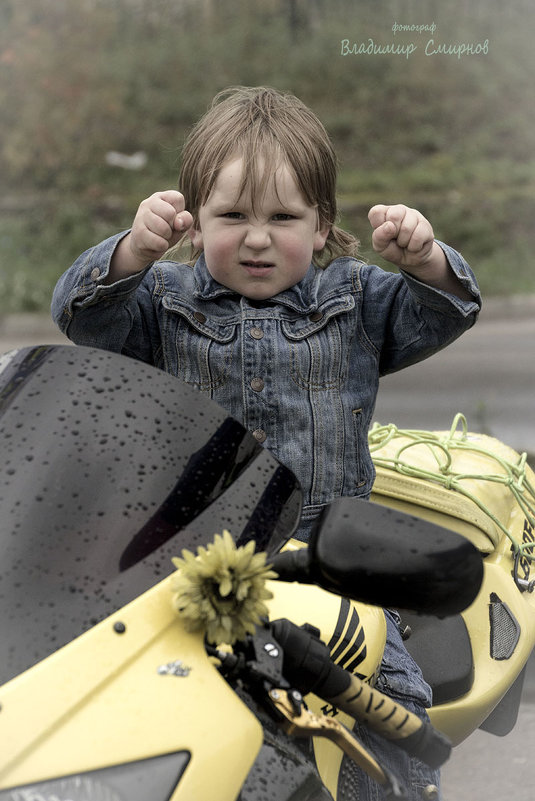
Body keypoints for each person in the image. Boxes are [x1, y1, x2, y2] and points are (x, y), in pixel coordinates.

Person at [52, 85, 480, 799]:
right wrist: (129, 251)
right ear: (192, 225)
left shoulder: (356, 302)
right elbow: (81, 316)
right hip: (187, 562)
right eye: (231, 215)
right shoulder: (160, 302)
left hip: (331, 565)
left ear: (321, 226)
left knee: (395, 716)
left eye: (283, 216)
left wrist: (426, 258)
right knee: (134, 718)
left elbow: (441, 312)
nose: (256, 237)